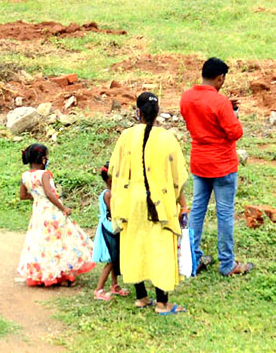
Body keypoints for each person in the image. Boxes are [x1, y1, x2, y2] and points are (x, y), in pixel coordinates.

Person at [107, 92, 189, 315]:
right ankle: (163, 303)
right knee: (160, 250)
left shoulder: (126, 136)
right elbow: (177, 177)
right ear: (157, 113)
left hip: (131, 202)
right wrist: (182, 203)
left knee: (134, 246)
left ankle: (141, 297)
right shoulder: (167, 138)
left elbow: (113, 170)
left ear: (138, 113)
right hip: (160, 202)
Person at [180, 58, 253, 277]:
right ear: (220, 77)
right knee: (225, 213)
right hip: (222, 164)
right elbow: (235, 132)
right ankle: (227, 263)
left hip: (199, 162)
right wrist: (232, 114)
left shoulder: (186, 97)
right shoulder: (220, 102)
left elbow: (201, 116)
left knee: (198, 210)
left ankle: (193, 258)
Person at [16, 143, 95, 287]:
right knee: (60, 240)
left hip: (38, 213)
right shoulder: (44, 174)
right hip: (51, 212)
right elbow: (49, 193)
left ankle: (43, 274)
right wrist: (63, 208)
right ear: (43, 159)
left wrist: (36, 196)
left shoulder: (25, 176)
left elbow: (23, 195)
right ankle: (62, 274)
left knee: (40, 242)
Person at [92, 166, 127, 301]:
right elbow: (115, 212)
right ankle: (99, 289)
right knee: (111, 261)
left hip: (113, 228)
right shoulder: (109, 194)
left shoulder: (110, 192)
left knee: (115, 257)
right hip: (110, 229)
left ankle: (114, 285)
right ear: (111, 179)